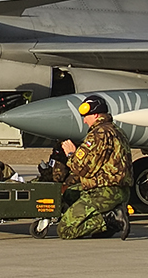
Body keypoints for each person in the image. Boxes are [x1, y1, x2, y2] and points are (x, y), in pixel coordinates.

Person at [56, 94, 132, 239]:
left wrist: (71, 154)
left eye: (86, 116)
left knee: (65, 230)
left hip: (104, 192)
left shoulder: (99, 134)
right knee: (69, 194)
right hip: (119, 191)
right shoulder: (116, 130)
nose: (85, 121)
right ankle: (106, 220)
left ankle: (111, 220)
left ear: (96, 115)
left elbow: (81, 168)